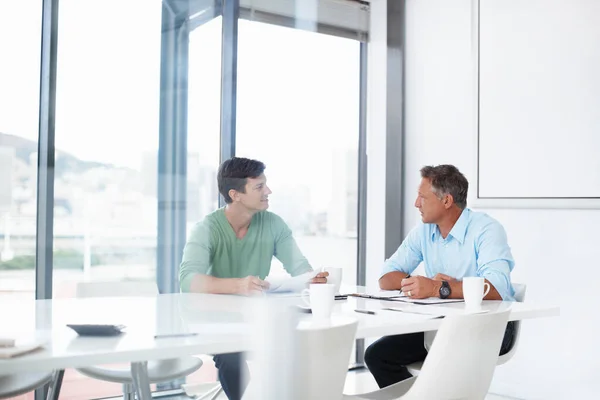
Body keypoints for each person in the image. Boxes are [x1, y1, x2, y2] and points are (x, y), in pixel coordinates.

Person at [179, 157, 328, 400]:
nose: (268, 191)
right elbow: (187, 280)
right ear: (235, 194)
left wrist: (313, 279)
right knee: (231, 356)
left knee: (298, 349)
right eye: (259, 187)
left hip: (259, 320)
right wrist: (239, 285)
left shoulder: (273, 224)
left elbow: (300, 268)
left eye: (265, 185)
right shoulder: (206, 228)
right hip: (216, 324)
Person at [364, 164, 516, 389]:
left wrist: (438, 288)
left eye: (422, 197)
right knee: (377, 355)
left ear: (446, 201)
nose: (416, 204)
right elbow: (386, 277)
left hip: (490, 327)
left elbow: (496, 287)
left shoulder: (487, 230)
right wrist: (417, 284)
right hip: (440, 325)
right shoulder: (424, 230)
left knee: (442, 363)